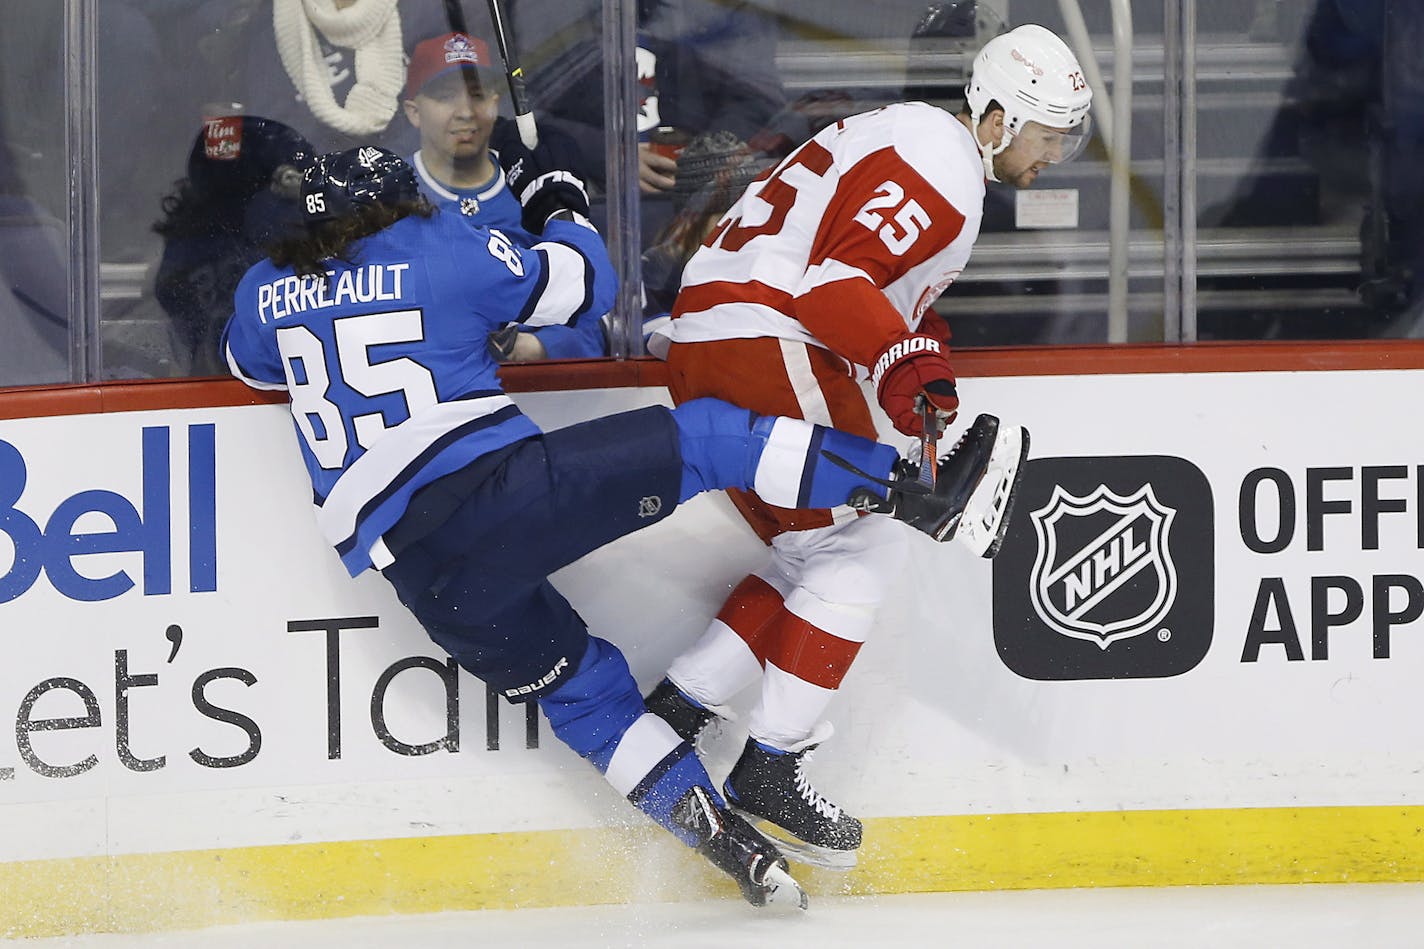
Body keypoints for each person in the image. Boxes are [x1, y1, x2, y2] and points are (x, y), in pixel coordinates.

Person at [219, 143, 1010, 907]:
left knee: (589, 701)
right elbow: (587, 284)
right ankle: (913, 494)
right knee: (706, 438)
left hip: (420, 577)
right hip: (498, 498)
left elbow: (247, 365)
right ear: (393, 203)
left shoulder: (263, 289)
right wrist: (558, 201)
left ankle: (736, 852)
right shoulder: (433, 242)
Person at [642, 23, 1090, 869]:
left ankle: (682, 705)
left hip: (720, 338)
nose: (1054, 154)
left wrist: (922, 364)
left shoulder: (912, 137)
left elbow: (865, 285)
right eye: (1047, 133)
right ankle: (772, 761)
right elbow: (835, 286)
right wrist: (908, 371)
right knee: (868, 535)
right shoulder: (943, 159)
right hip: (761, 341)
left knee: (816, 554)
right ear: (995, 116)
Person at [400, 30, 608, 361]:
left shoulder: (537, 184)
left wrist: (531, 348)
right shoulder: (390, 197)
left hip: (541, 392)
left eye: (478, 94)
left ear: (495, 103)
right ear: (413, 112)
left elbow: (592, 312)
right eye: (445, 97)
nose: (466, 111)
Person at [153, 115, 314, 375]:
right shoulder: (275, 230)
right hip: (264, 387)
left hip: (211, 385)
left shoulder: (187, 238)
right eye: (287, 183)